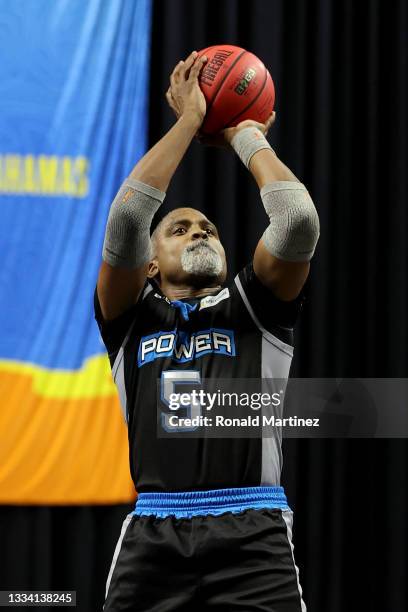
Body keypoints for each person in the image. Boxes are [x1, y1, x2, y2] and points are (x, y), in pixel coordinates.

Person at [95, 50, 319, 612]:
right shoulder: (132, 317)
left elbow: (297, 222)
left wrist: (244, 132)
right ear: (149, 264)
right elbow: (126, 221)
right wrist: (191, 121)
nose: (200, 231)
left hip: (254, 533)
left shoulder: (254, 307)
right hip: (153, 537)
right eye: (180, 227)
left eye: (209, 228)